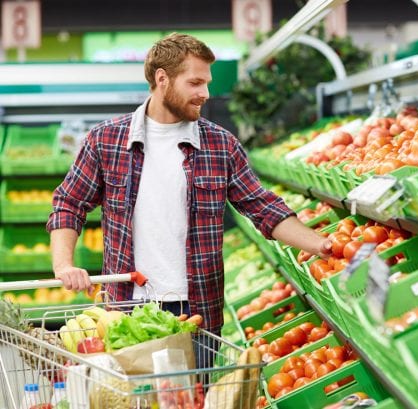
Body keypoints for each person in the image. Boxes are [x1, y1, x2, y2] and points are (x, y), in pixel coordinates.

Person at [46, 32, 332, 336]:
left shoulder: (220, 145)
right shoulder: (107, 140)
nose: (205, 93)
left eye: (206, 83)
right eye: (195, 83)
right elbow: (69, 203)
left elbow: (263, 209)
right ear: (162, 79)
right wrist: (64, 265)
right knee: (137, 386)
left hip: (197, 313)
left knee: (196, 386)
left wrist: (322, 245)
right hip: (128, 309)